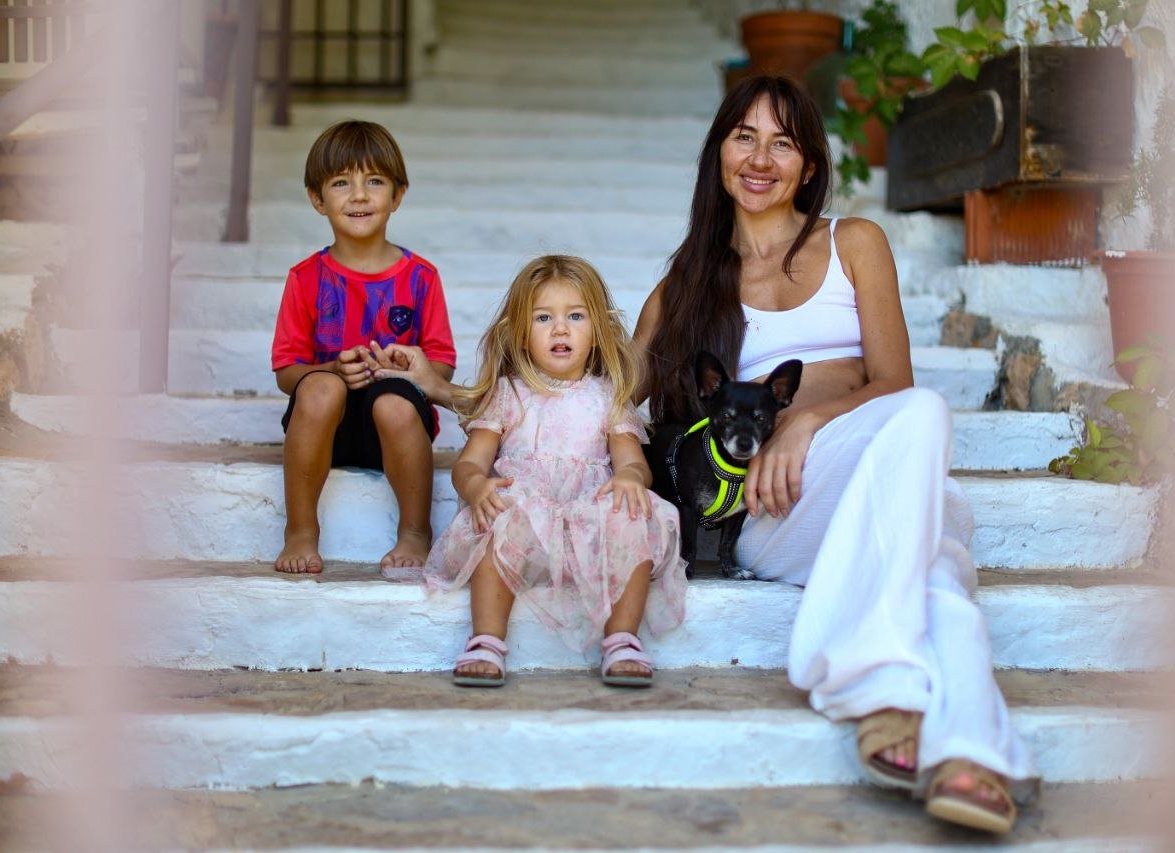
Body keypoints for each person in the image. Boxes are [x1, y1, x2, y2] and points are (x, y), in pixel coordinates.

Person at [632, 75, 1038, 833]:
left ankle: (929, 729)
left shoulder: (854, 243)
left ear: (811, 164)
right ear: (718, 151)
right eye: (743, 136)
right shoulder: (685, 284)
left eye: (783, 141)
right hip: (774, 508)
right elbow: (611, 400)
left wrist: (806, 418)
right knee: (935, 560)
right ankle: (956, 739)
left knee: (919, 420)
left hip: (878, 465)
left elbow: (893, 385)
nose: (760, 157)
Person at [376, 255, 688, 687]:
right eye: (544, 318)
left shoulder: (609, 397)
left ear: (597, 331)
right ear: (522, 334)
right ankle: (486, 640)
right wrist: (476, 487)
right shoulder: (507, 394)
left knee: (633, 518)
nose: (560, 329)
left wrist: (631, 478)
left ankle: (622, 639)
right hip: (525, 520)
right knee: (496, 522)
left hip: (587, 519)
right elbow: (469, 463)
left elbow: (631, 459)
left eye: (575, 316)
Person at [270, 120, 456, 575]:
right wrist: (331, 369)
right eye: (341, 183)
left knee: (394, 403)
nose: (358, 195)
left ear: (397, 195)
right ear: (318, 199)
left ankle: (415, 531)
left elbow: (442, 366)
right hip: (323, 433)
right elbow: (286, 372)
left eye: (374, 181)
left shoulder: (421, 277)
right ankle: (300, 530)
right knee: (319, 389)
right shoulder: (305, 278)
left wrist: (410, 370)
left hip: (393, 429)